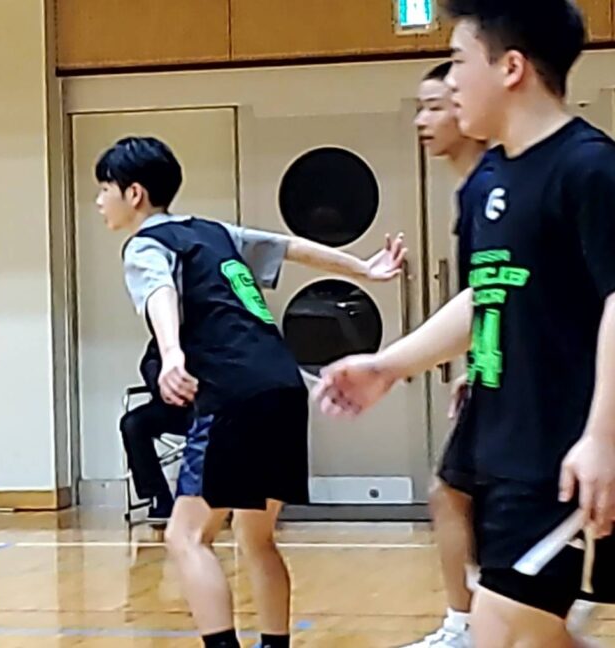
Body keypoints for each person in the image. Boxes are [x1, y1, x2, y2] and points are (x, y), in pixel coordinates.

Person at [315, 2, 615, 646]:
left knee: (503, 629)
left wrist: (602, 437)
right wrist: (388, 365)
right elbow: (487, 295)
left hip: (565, 452)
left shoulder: (590, 169)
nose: (449, 84)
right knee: (519, 632)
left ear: (511, 68)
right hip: (508, 450)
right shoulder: (488, 183)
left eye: (457, 62)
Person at [96, 135, 406, 647]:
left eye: (104, 189)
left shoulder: (146, 244)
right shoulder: (213, 232)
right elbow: (289, 247)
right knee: (255, 536)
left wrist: (171, 353)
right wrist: (363, 269)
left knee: (186, 535)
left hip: (232, 389)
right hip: (283, 383)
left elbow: (160, 291)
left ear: (134, 194)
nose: (100, 201)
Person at [405, 61, 491, 648]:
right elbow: (494, 298)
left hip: (553, 388)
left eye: (436, 106)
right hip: (498, 373)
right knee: (451, 492)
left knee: (451, 493)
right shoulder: (474, 192)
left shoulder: (500, 185)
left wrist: (387, 366)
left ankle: (470, 623)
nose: (423, 120)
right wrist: (476, 363)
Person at [121, 339, 193, 521]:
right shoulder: (167, 337)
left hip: (208, 406)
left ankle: (226, 500)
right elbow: (149, 363)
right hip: (169, 406)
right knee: (133, 424)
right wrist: (162, 387)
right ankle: (159, 496)